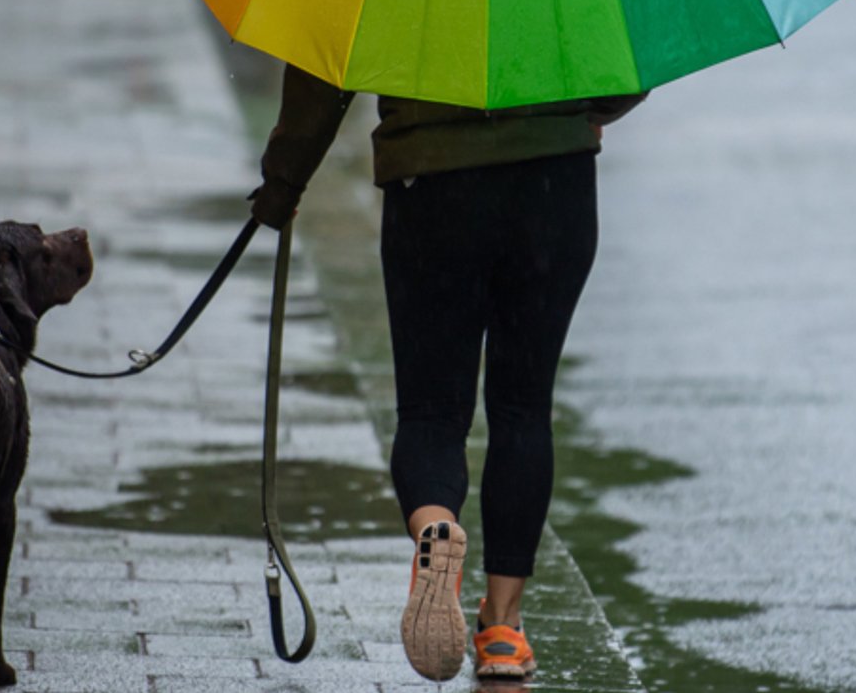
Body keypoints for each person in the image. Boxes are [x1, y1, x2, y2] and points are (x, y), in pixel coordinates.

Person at [250, 63, 645, 682]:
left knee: (432, 411)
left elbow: (328, 58)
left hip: (430, 179)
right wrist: (588, 110)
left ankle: (436, 524)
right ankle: (504, 634)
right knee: (522, 407)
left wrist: (284, 178)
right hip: (554, 177)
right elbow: (627, 51)